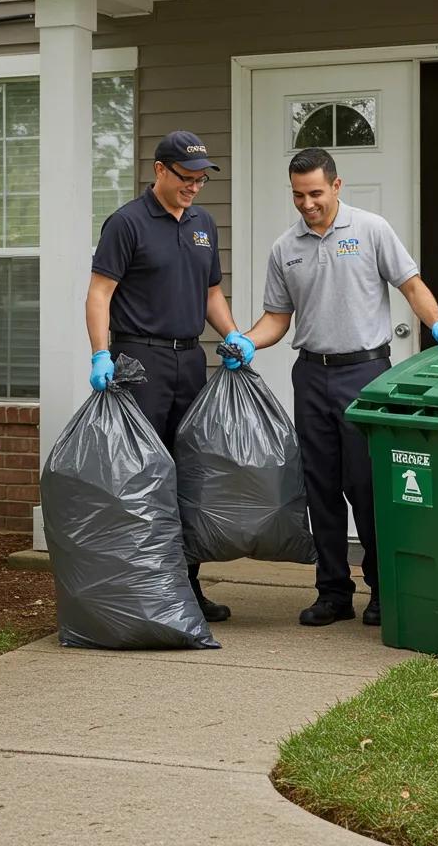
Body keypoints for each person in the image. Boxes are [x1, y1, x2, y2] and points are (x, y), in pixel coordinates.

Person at [242, 147, 438, 628]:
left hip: (365, 375)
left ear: (337, 186)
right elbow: (277, 320)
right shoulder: (286, 248)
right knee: (320, 488)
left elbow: (411, 285)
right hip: (310, 375)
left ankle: (384, 590)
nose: (307, 204)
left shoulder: (371, 229)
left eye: (316, 193)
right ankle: (332, 593)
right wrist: (248, 341)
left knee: (366, 487)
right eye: (299, 195)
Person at [85, 130, 256, 623]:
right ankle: (141, 592)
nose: (194, 187)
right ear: (159, 170)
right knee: (142, 478)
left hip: (191, 361)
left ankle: (188, 591)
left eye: (201, 179)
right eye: (186, 177)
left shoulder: (204, 223)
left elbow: (210, 295)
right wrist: (101, 355)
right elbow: (99, 294)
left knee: (189, 477)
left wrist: (235, 336)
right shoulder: (127, 224)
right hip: (140, 361)